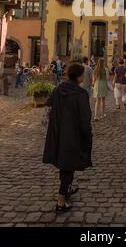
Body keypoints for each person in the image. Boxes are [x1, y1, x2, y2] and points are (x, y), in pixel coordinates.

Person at [43, 62, 92, 213]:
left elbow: (48, 107)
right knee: (68, 168)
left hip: (58, 134)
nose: (84, 76)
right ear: (78, 76)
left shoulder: (58, 90)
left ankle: (68, 190)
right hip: (73, 136)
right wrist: (87, 134)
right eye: (83, 74)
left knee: (65, 165)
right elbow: (85, 118)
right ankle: (61, 202)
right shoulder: (81, 93)